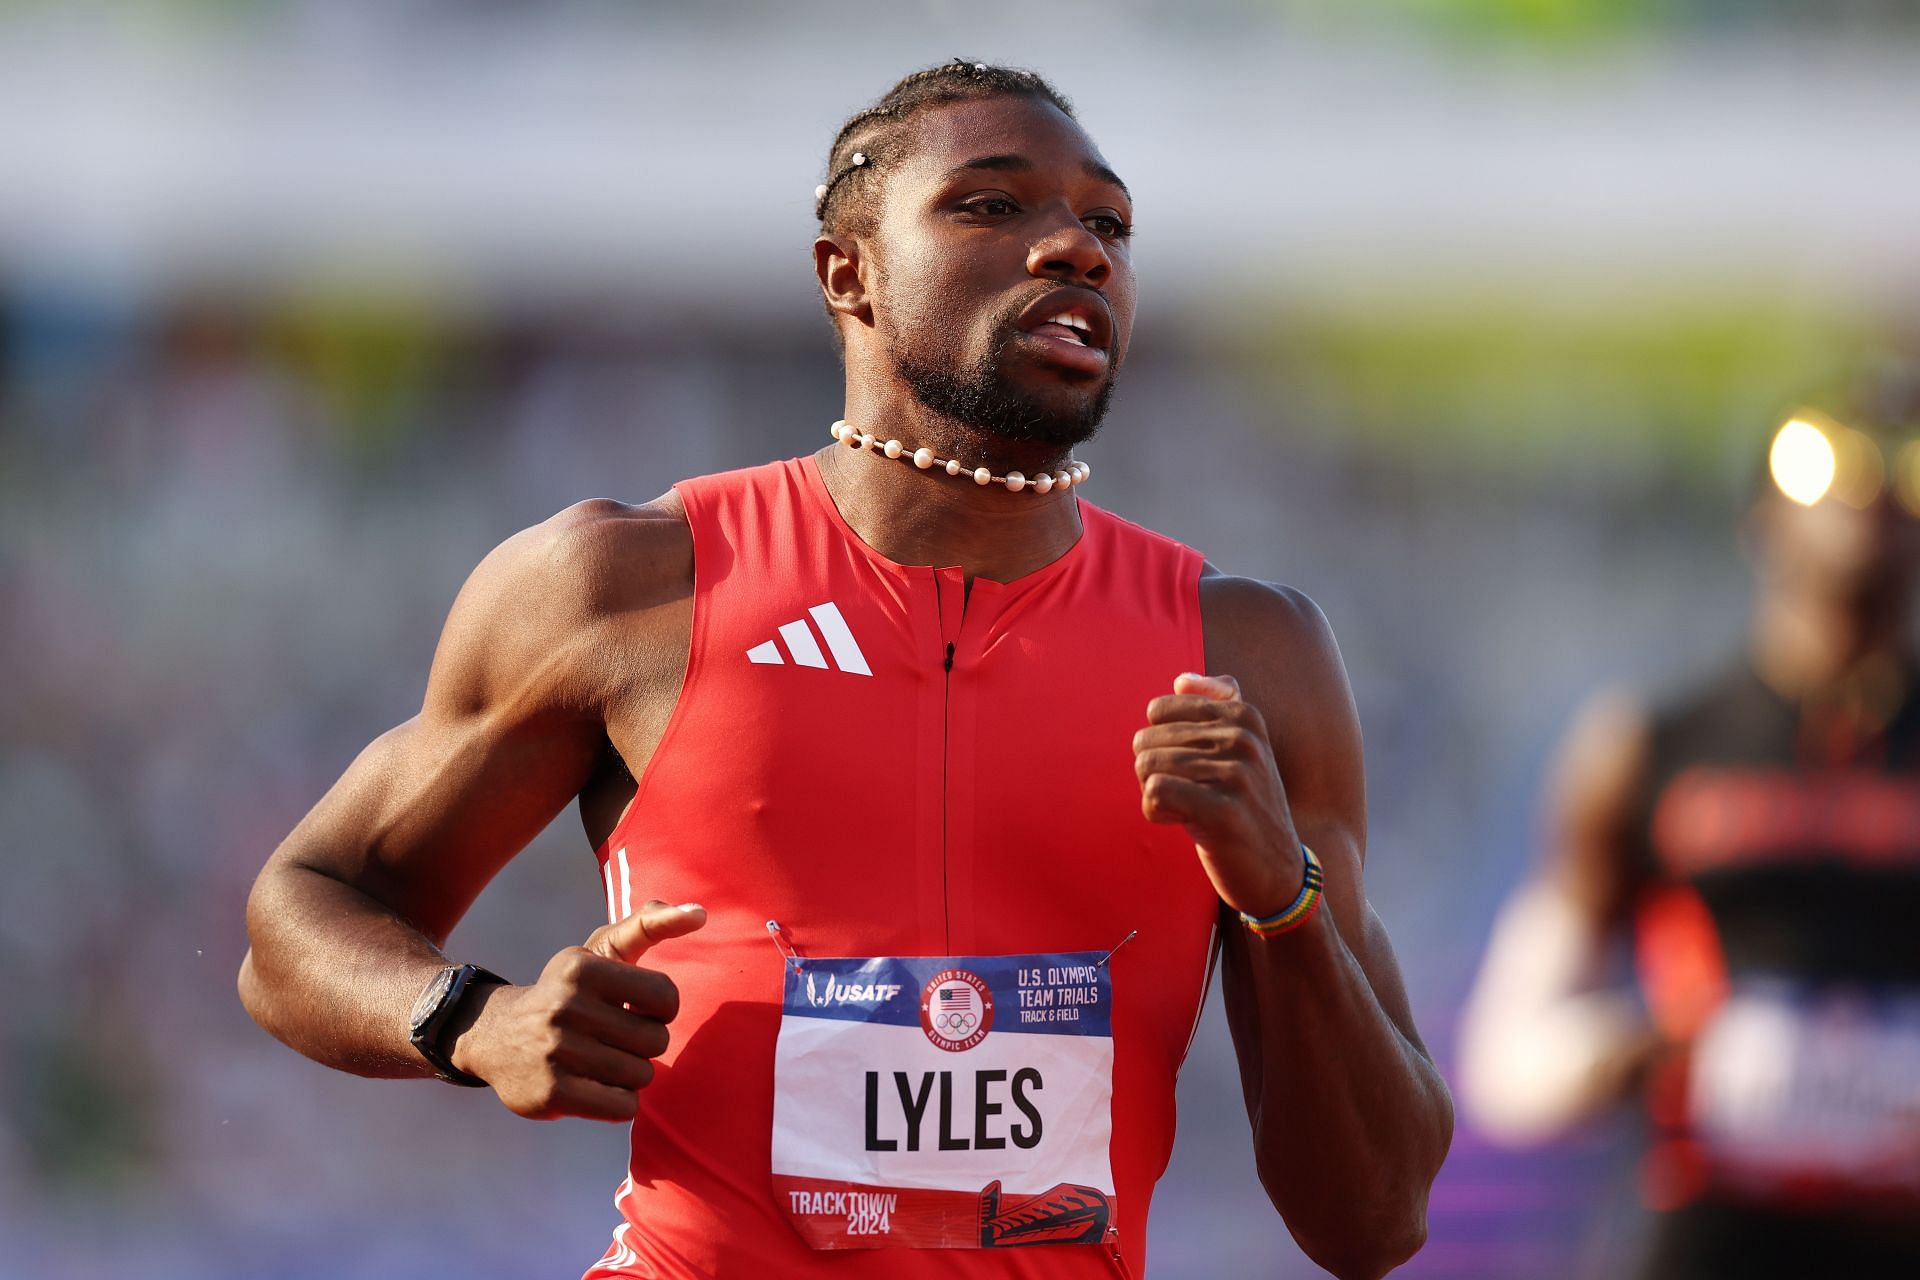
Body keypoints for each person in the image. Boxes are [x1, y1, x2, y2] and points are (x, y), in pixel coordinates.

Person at [238, 61, 1450, 1280]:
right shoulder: (628, 585)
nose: (1075, 248)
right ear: (847, 273)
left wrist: (1276, 893)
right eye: (991, 205)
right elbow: (300, 913)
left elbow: (1375, 1219)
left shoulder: (1243, 656)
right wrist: (473, 1021)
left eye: (1109, 223)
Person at [1458, 376, 1920, 1277]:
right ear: (1760, 516)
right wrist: (1659, 1048)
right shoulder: (1648, 747)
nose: (1867, 499)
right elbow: (1508, 1059)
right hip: (1713, 1236)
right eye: (1822, 461)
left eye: (1904, 470)